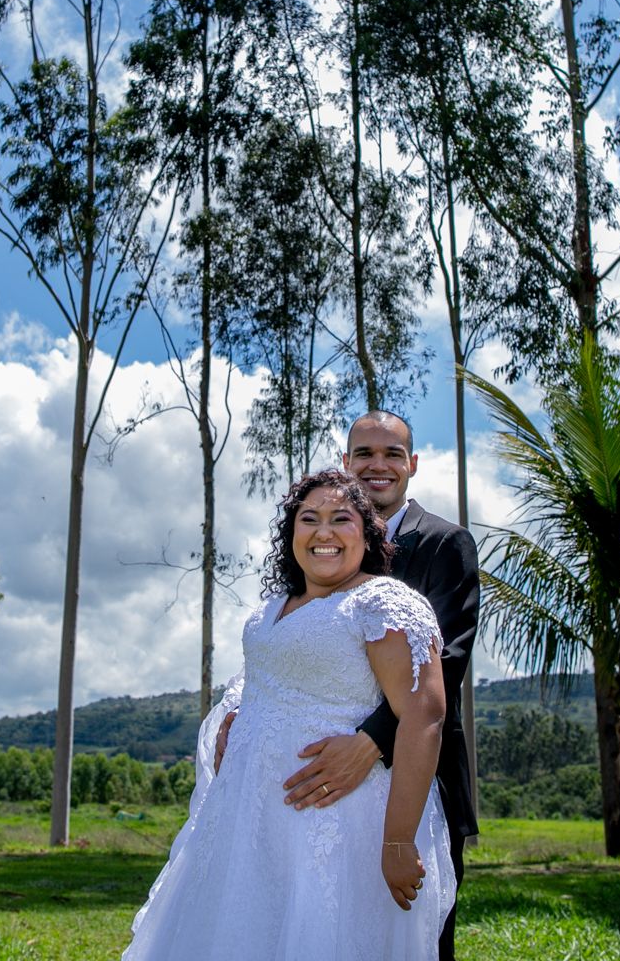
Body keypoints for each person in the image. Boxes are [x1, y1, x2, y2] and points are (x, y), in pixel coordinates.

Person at [123, 469, 454, 960]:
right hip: (246, 824)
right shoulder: (269, 610)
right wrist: (232, 716)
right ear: (291, 533)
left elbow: (424, 714)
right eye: (309, 518)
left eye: (341, 519)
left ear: (367, 534)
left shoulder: (383, 603)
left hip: (336, 825)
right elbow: (256, 679)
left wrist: (398, 842)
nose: (324, 532)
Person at [223, 411, 480, 959]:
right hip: (295, 795)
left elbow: (443, 662)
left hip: (406, 776)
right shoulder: (315, 553)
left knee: (410, 936)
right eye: (364, 453)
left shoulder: (444, 543)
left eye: (392, 454)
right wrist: (241, 710)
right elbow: (292, 654)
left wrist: (368, 743)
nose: (377, 465)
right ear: (346, 462)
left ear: (412, 464)